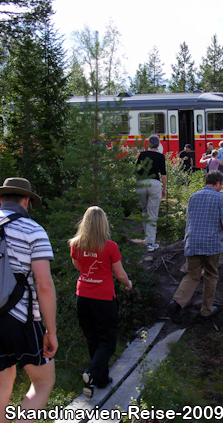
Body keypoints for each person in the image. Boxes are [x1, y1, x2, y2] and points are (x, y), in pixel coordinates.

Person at [0, 178, 57, 423]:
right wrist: (50, 331)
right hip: (20, 320)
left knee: (3, 380)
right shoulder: (33, 230)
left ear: (1, 199)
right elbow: (44, 285)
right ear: (27, 202)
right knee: (44, 381)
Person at [69, 206, 132, 398]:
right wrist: (128, 283)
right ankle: (91, 373)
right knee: (108, 342)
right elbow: (119, 274)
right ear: (103, 223)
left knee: (93, 339)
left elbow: (79, 267)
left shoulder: (76, 244)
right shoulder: (110, 246)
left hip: (83, 298)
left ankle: (100, 379)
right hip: (103, 300)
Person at [168, 171, 223, 324]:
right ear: (217, 183)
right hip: (211, 244)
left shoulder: (193, 197)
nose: (221, 187)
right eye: (221, 185)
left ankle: (176, 303)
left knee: (192, 275)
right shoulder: (220, 198)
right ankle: (207, 311)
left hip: (192, 243)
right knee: (210, 275)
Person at [136, 134, 167, 252]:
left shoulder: (142, 155)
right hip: (154, 184)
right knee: (152, 213)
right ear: (158, 145)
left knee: (144, 211)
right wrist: (164, 189)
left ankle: (146, 239)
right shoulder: (160, 156)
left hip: (141, 183)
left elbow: (137, 171)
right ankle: (150, 243)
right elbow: (163, 175)